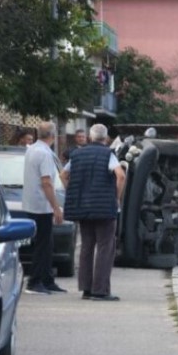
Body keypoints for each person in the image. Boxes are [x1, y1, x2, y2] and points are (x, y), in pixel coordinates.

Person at [60, 124, 126, 301]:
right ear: (105, 139)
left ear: (89, 137)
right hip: (105, 208)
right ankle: (100, 290)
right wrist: (116, 197)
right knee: (105, 247)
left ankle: (86, 289)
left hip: (83, 207)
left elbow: (63, 175)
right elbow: (120, 175)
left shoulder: (77, 154)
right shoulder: (108, 154)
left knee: (87, 247)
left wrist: (72, 191)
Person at [22, 122, 66, 294]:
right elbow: (46, 182)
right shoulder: (45, 154)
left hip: (31, 203)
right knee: (43, 245)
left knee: (46, 244)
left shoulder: (32, 149)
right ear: (52, 136)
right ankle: (35, 281)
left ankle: (47, 280)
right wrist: (56, 207)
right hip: (42, 205)